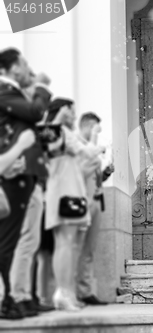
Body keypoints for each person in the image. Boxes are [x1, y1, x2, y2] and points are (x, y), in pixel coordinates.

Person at [0, 48, 52, 319]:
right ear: (12, 67)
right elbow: (35, 112)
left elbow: (33, 119)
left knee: (28, 241)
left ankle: (21, 295)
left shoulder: (14, 94)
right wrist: (41, 86)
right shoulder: (4, 91)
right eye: (23, 64)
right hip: (11, 174)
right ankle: (13, 297)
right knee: (14, 241)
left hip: (28, 175)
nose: (27, 69)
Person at [44, 99, 102, 311]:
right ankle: (62, 293)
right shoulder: (55, 131)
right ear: (62, 110)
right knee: (65, 244)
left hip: (71, 193)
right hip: (62, 194)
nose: (74, 115)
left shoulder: (63, 132)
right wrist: (99, 143)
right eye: (71, 110)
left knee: (70, 246)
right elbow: (87, 152)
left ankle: (67, 292)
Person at [76, 112, 113, 305]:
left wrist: (105, 174)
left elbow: (93, 178)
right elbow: (78, 174)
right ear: (90, 126)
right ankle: (72, 292)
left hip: (97, 200)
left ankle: (85, 291)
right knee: (76, 247)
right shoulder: (78, 147)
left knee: (88, 249)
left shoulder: (91, 150)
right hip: (81, 202)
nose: (99, 133)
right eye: (97, 128)